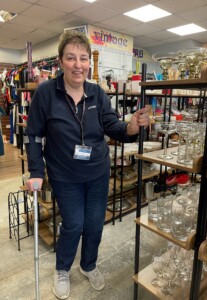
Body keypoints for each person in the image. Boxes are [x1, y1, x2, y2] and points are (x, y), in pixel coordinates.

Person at [25, 30, 150, 300]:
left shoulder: (97, 93)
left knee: (94, 224)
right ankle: (62, 268)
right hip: (64, 174)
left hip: (97, 172)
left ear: (89, 63)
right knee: (73, 224)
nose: (78, 64)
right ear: (61, 62)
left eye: (83, 58)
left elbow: (112, 126)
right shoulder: (46, 93)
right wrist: (36, 172)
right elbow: (34, 136)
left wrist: (129, 127)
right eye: (71, 58)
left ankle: (88, 264)